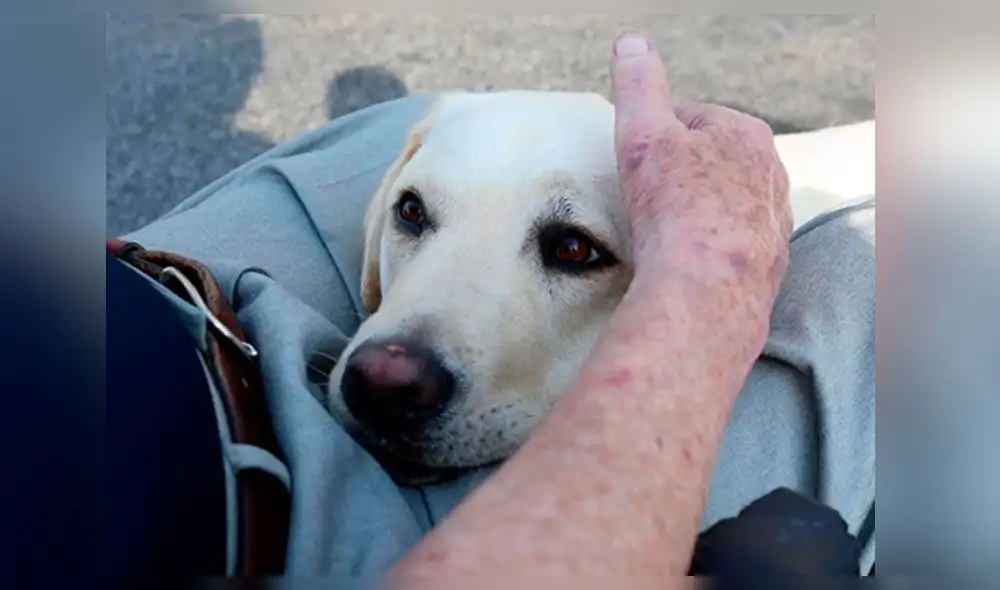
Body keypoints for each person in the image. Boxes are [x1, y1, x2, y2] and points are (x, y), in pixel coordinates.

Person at [100, 30, 873, 582]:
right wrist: (712, 277)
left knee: (433, 118)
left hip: (154, 317)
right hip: (251, 496)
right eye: (415, 215)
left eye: (569, 249)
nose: (388, 355)